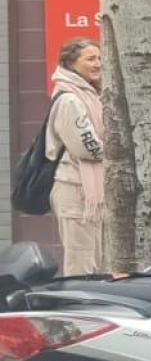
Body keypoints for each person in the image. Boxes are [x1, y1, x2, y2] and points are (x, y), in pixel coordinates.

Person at [47, 38, 109, 274]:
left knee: (99, 262)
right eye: (90, 59)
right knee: (81, 264)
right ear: (71, 64)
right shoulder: (70, 99)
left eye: (100, 58)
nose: (98, 64)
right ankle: (76, 309)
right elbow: (88, 148)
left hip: (91, 192)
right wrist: (116, 151)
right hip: (74, 190)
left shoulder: (91, 95)